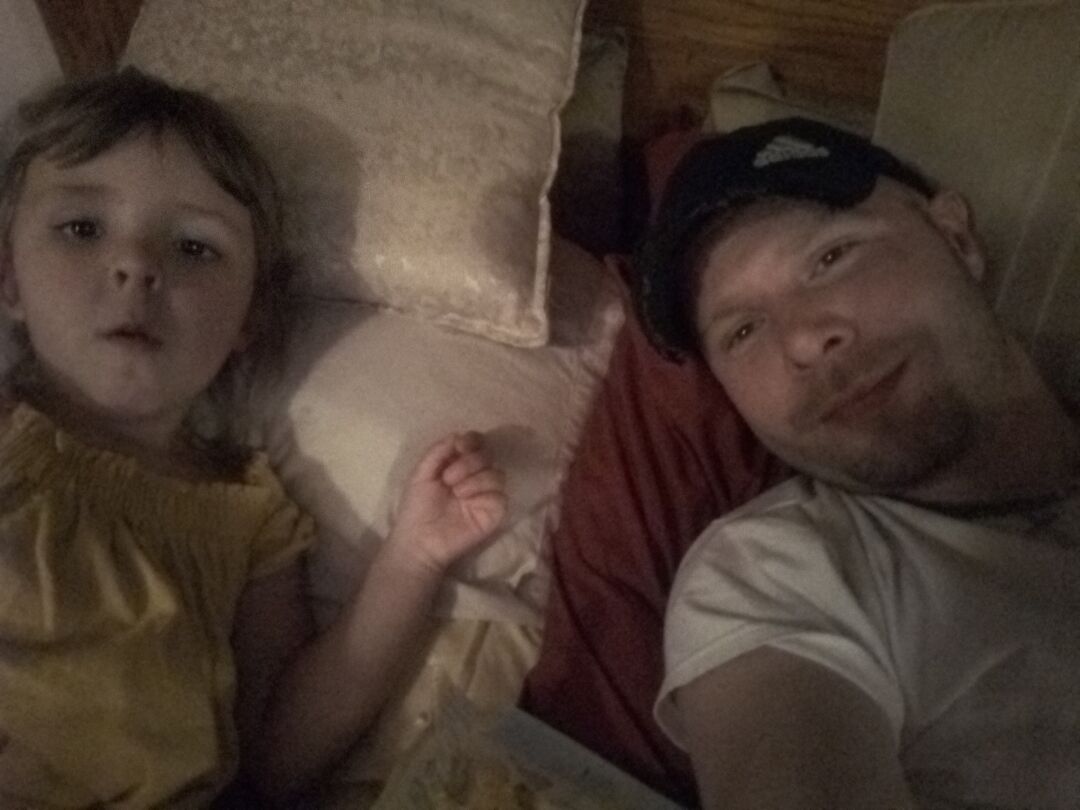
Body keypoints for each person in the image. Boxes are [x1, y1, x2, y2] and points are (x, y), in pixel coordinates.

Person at [0, 67, 507, 807]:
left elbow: (277, 752)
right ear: (9, 279)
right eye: (82, 228)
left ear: (249, 319)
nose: (135, 264)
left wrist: (412, 560)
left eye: (194, 248)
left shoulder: (249, 515)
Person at [636, 117, 1080, 809]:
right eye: (742, 330)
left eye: (832, 257)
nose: (804, 339)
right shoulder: (776, 575)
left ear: (956, 238)